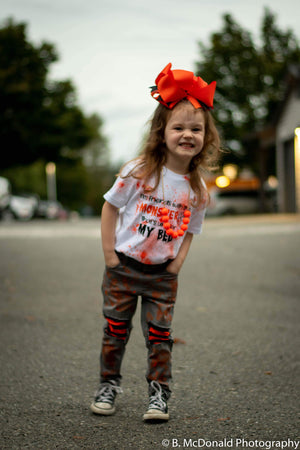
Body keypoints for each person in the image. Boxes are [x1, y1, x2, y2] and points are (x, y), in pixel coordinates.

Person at [90, 62, 221, 422]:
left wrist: (177, 263)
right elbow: (110, 208)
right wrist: (109, 256)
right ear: (161, 132)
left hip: (163, 276)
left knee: (160, 337)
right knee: (115, 332)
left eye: (196, 129)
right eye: (178, 127)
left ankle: (158, 395)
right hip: (123, 267)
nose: (187, 134)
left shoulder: (198, 189)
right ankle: (108, 386)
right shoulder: (139, 171)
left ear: (205, 137)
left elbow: (191, 230)